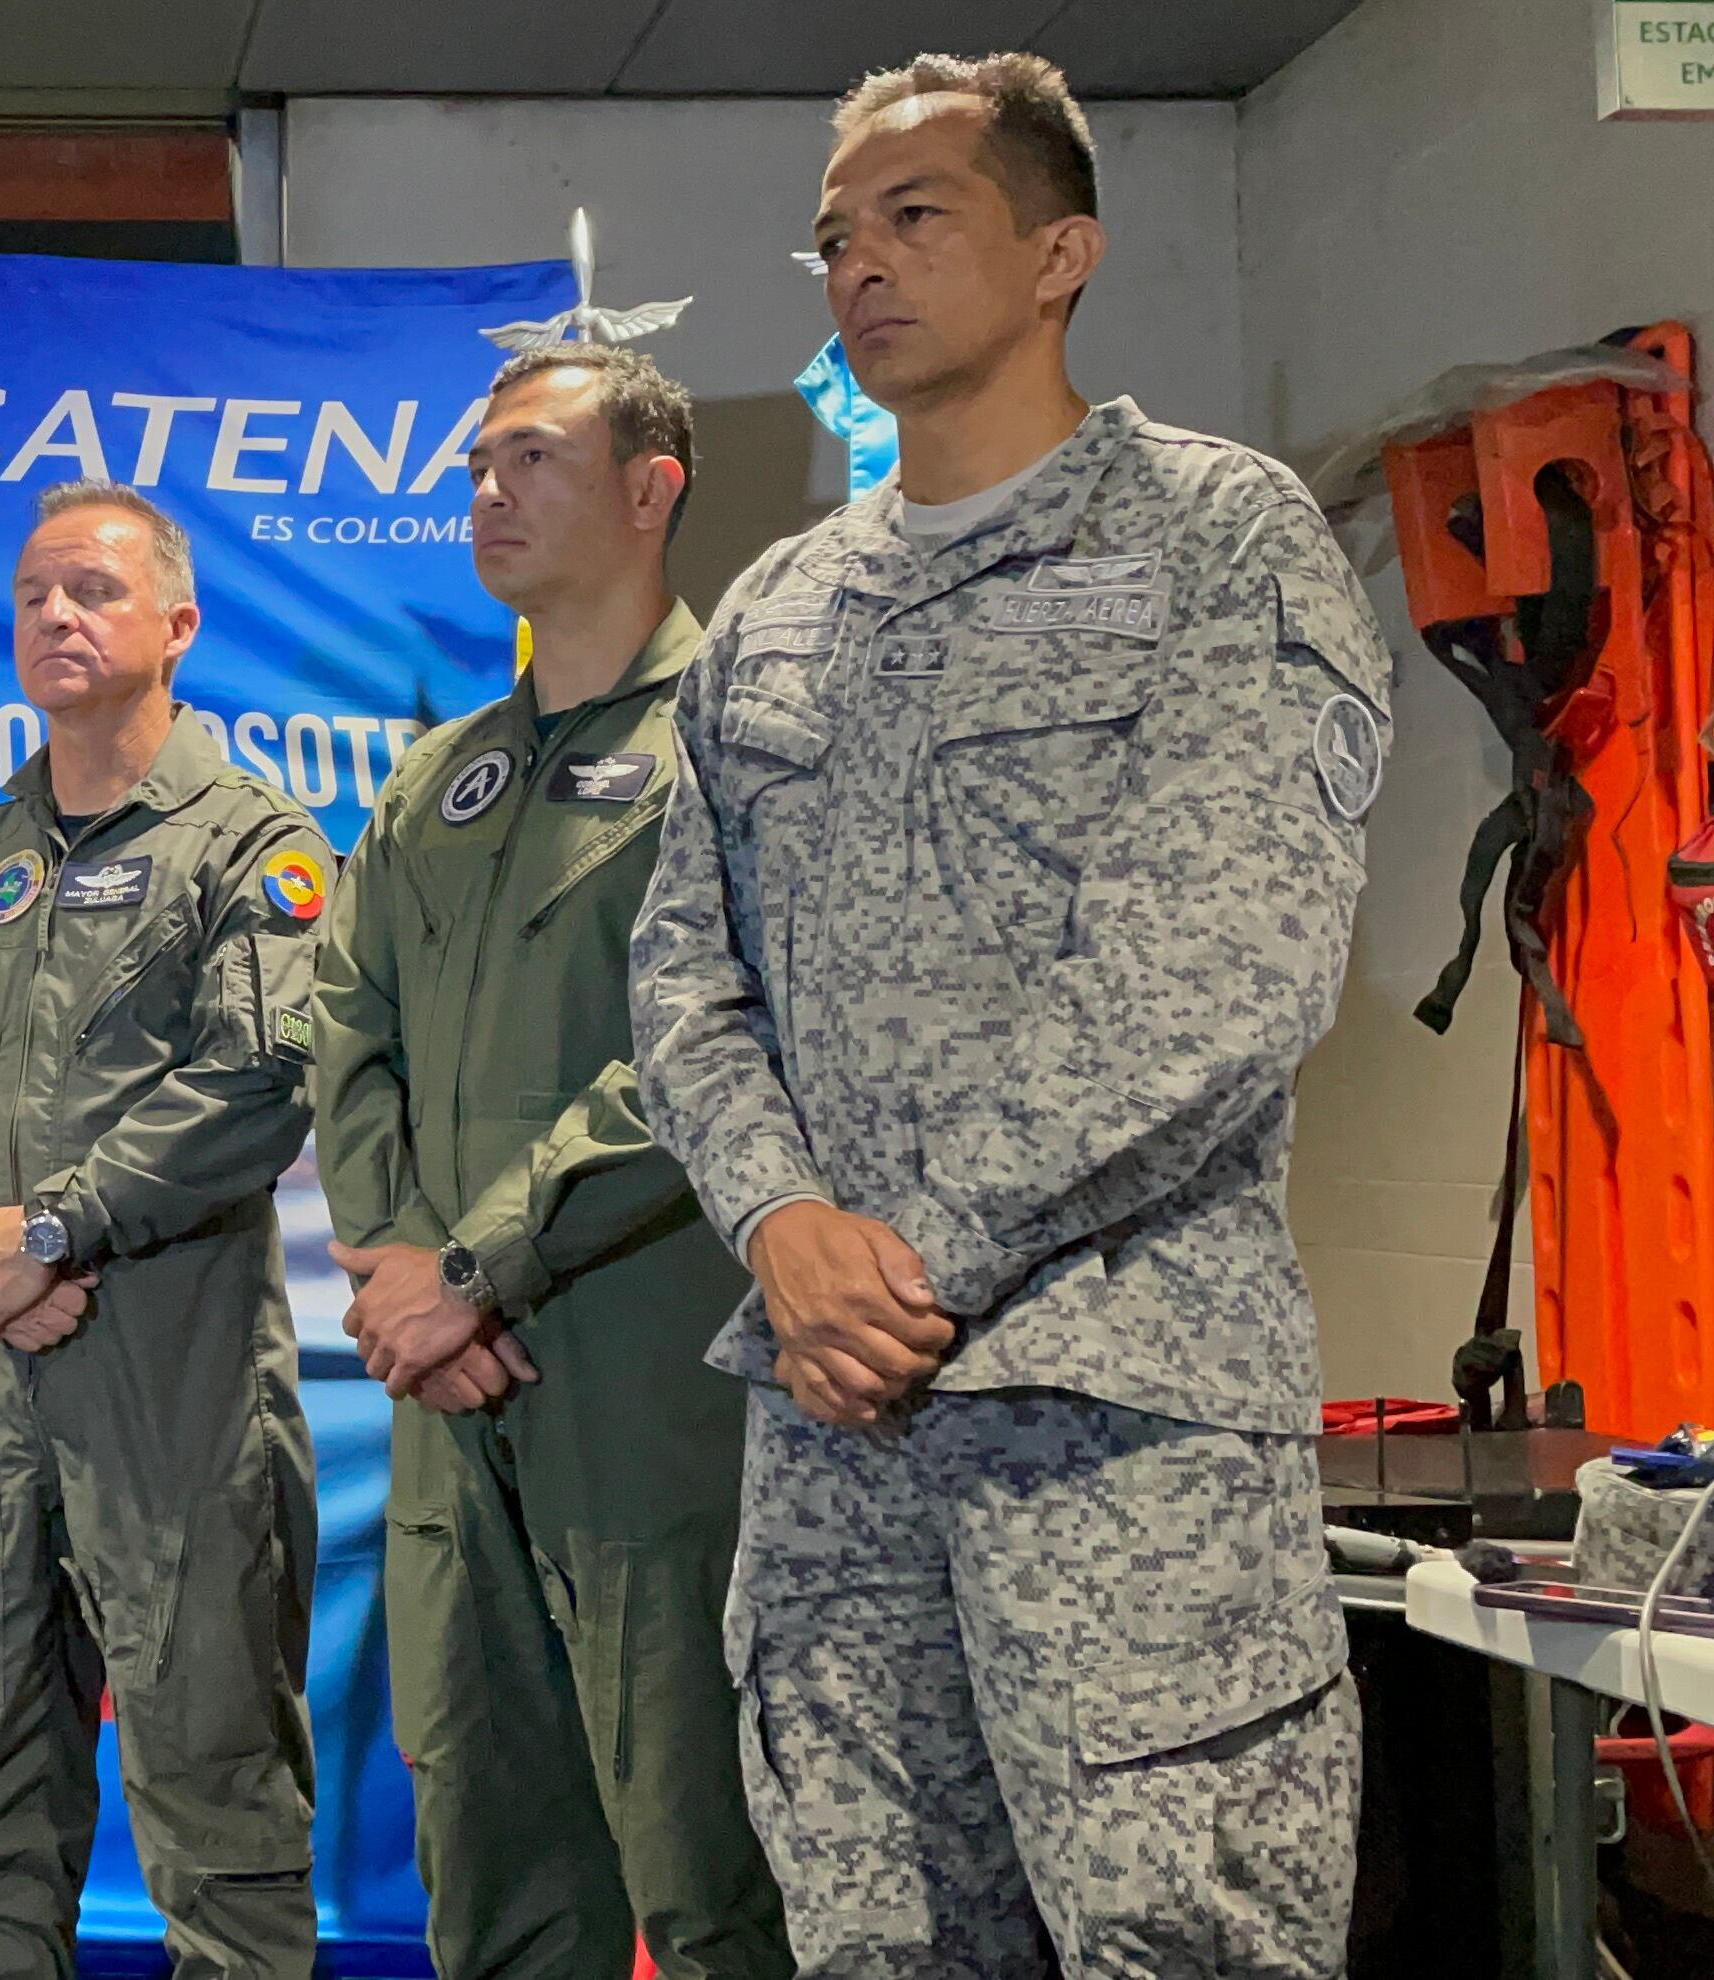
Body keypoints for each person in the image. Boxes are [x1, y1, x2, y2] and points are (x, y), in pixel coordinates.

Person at [628, 52, 1383, 1978]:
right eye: (831, 239)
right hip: (837, 1458)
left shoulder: (1218, 536)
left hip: (1114, 1429)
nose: (856, 268)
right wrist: (782, 1231)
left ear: (1064, 254)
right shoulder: (781, 611)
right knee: (874, 1942)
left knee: (1177, 1940)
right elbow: (682, 974)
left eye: (913, 217)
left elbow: (1215, 971)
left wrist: (904, 1261)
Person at [313, 344, 788, 1980]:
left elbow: (706, 1051)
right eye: (475, 466)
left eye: (531, 458)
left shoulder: (744, 743)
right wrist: (396, 1268)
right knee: (496, 1859)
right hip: (454, 1391)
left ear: (653, 490)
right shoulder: (438, 778)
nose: (489, 491)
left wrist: (473, 1269)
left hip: (651, 1381)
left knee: (709, 1853)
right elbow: (347, 1026)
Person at [0, 481, 326, 1980]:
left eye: (96, 592)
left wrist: (50, 1235)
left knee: (215, 1780)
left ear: (178, 624)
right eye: (34, 595)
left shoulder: (251, 844)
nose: (57, 616)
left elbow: (261, 1081)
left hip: (175, 1386)